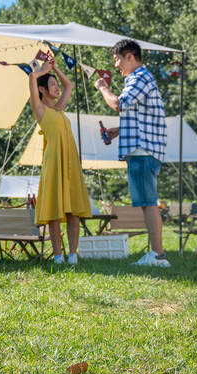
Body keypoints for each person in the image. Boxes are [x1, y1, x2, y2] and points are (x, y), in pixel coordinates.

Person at [93, 38, 169, 267]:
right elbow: (138, 115)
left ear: (129, 56)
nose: (116, 65)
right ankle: (156, 254)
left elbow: (118, 104)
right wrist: (118, 130)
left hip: (143, 149)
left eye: (117, 59)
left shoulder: (139, 77)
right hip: (142, 147)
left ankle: (158, 255)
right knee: (146, 202)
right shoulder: (139, 79)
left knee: (149, 202)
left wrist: (102, 87)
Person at [28, 54, 92, 265]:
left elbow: (69, 85)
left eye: (56, 84)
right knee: (55, 213)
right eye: (51, 85)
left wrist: (55, 69)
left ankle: (72, 255)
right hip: (54, 165)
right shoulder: (41, 110)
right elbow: (31, 78)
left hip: (71, 164)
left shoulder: (59, 109)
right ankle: (58, 256)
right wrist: (43, 72)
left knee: (74, 212)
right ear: (42, 89)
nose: (57, 87)